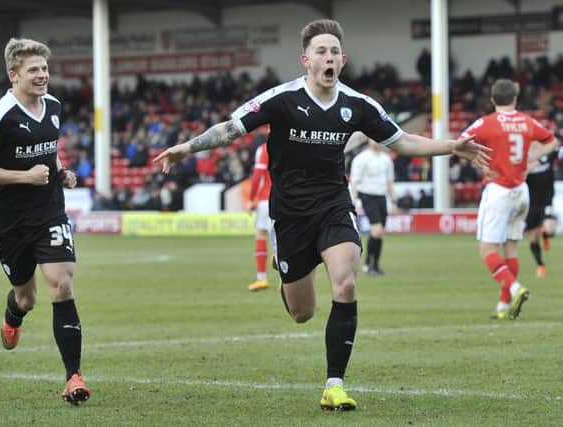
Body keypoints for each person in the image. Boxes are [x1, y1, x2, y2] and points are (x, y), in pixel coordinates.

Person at [153, 19, 489, 411]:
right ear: (306, 60)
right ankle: (287, 279)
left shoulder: (358, 105)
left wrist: (453, 146)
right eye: (321, 51)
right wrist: (185, 148)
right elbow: (231, 129)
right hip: (290, 214)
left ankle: (334, 384)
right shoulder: (281, 98)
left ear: (342, 60)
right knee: (302, 312)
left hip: (334, 205)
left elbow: (404, 141)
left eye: (334, 52)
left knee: (345, 284)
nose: (329, 57)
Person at [0, 38, 90, 405]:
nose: (42, 76)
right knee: (27, 296)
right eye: (34, 70)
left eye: (45, 69)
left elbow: (48, 155)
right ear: (14, 75)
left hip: (49, 210)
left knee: (61, 284)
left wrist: (61, 172)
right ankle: (13, 314)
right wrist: (23, 178)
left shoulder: (53, 106)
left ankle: (74, 377)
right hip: (11, 220)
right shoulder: (0, 115)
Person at [461, 78, 556, 320]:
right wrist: (530, 157)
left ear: (492, 100)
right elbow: (551, 141)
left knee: (487, 248)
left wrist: (476, 160)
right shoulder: (526, 121)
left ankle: (515, 289)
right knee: (511, 248)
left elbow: (460, 143)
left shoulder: (487, 123)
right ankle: (504, 308)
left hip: (498, 190)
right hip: (521, 190)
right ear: (515, 99)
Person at [349, 135, 397, 276]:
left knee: (379, 233)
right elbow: (354, 182)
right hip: (367, 196)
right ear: (368, 140)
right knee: (376, 230)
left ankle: (373, 263)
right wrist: (355, 201)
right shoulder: (361, 159)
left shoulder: (386, 159)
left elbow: (389, 182)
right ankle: (371, 265)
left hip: (381, 197)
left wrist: (394, 201)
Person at [524, 144, 561, 278]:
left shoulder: (549, 155)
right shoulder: (524, 160)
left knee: (550, 230)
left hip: (547, 200)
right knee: (533, 239)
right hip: (532, 204)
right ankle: (540, 265)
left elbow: (559, 149)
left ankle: (545, 233)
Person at [246, 142, 273, 291]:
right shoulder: (294, 143)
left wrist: (251, 199)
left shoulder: (264, 149)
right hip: (288, 199)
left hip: (266, 198)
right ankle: (286, 281)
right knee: (283, 239)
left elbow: (257, 176)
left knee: (261, 234)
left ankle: (262, 278)